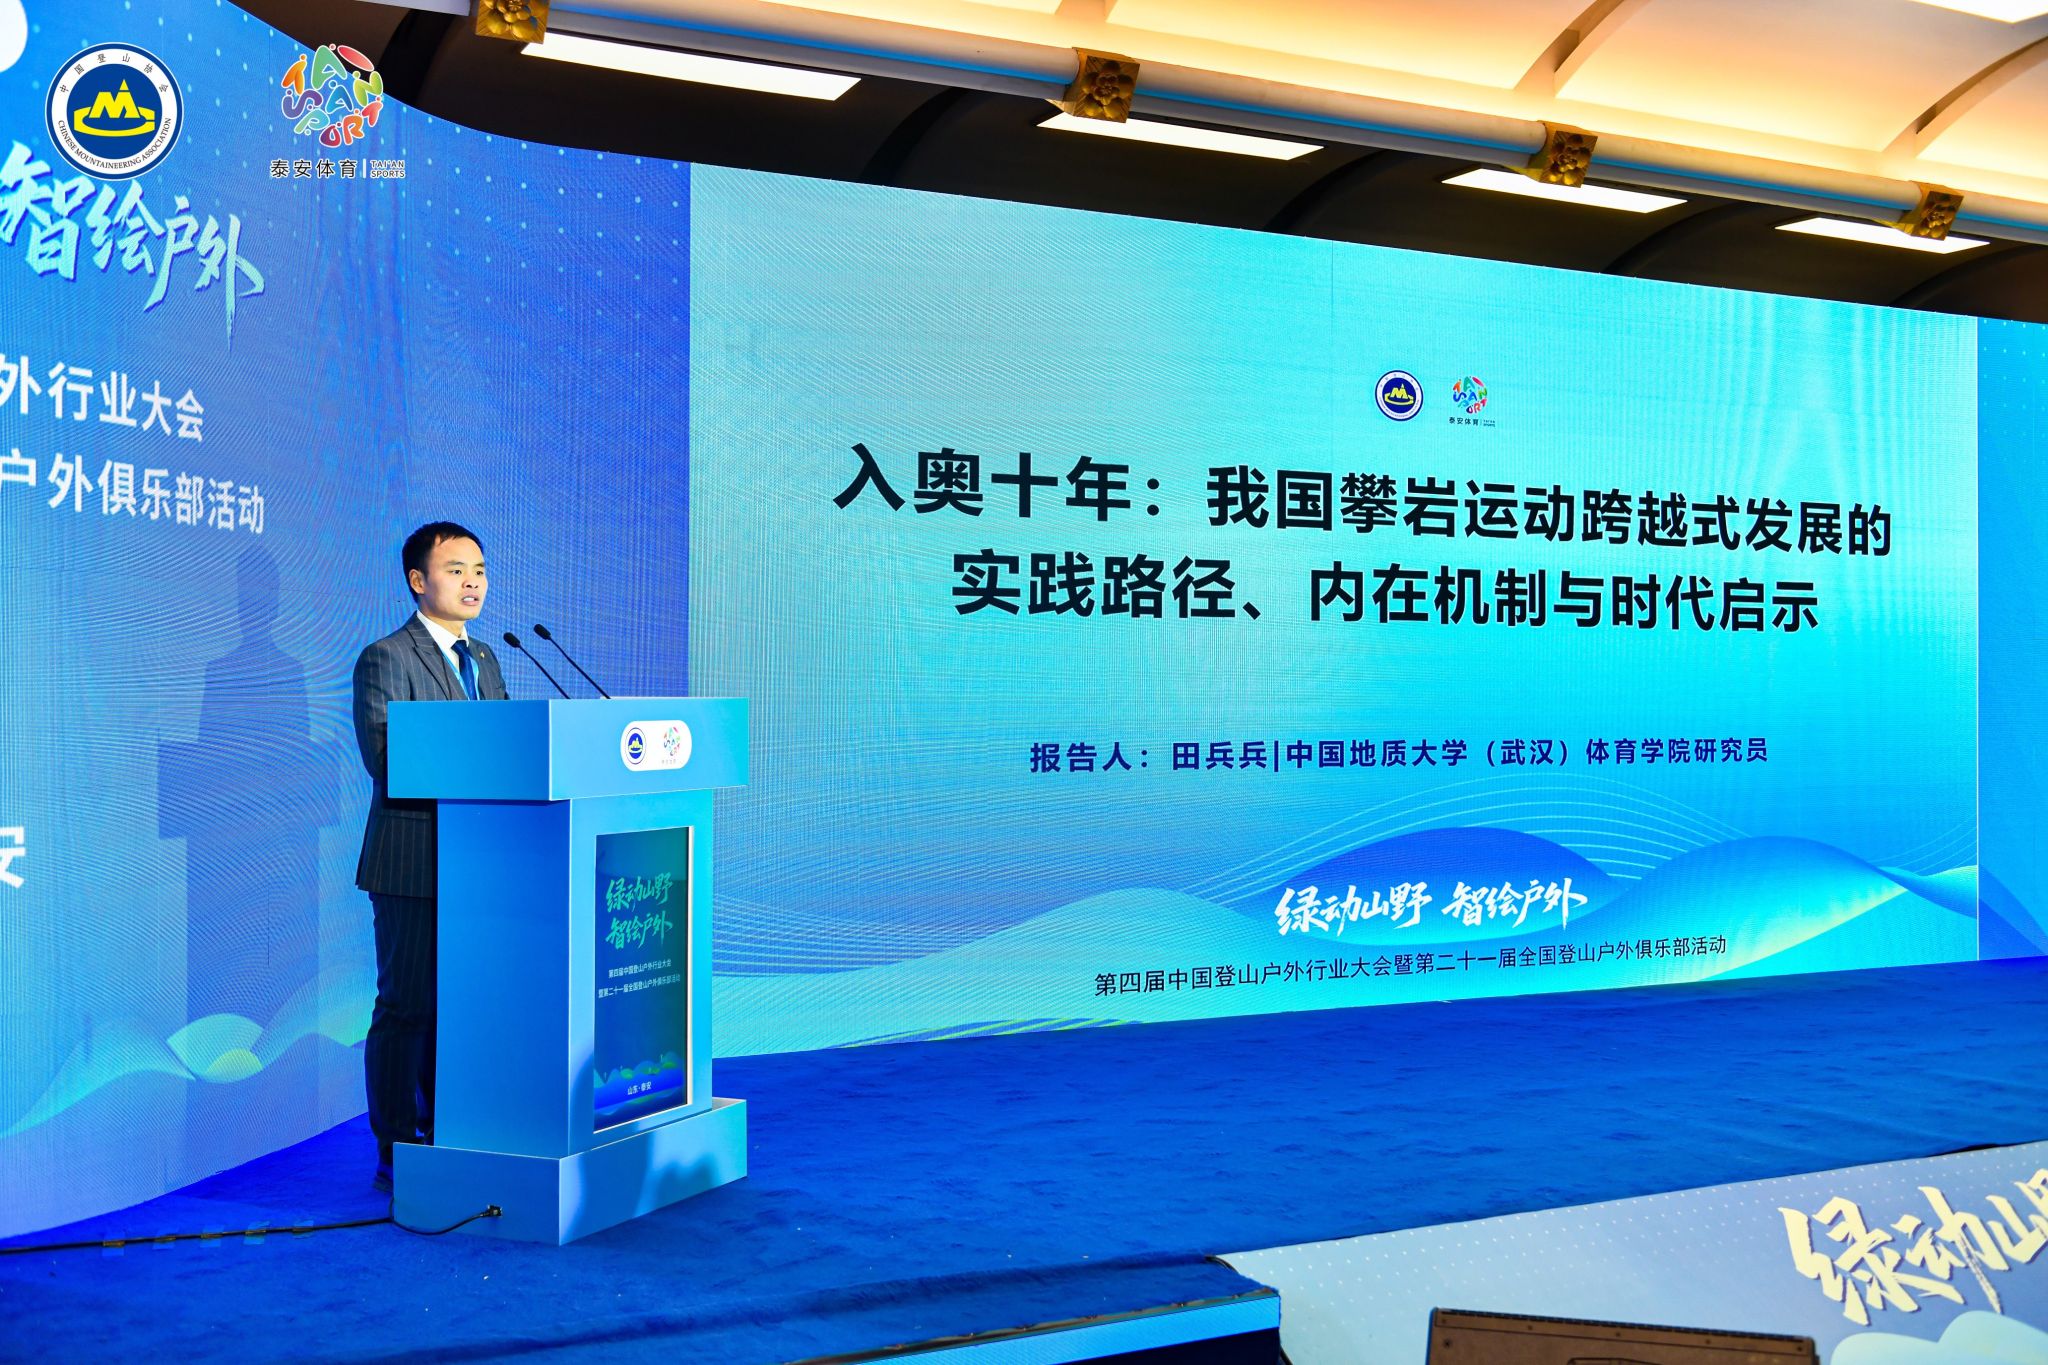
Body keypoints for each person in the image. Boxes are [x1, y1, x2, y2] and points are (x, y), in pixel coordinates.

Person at [351, 522, 508, 1193]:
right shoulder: (387, 657)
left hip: (481, 862)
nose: (472, 582)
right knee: (407, 1006)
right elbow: (388, 758)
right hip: (414, 860)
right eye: (455, 569)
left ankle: (450, 1125)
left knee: (462, 1006)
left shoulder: (488, 659)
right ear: (418, 580)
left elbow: (512, 750)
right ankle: (397, 1147)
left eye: (479, 570)